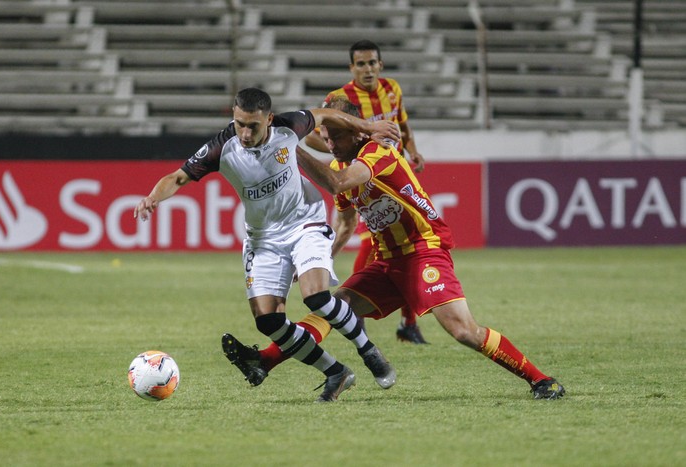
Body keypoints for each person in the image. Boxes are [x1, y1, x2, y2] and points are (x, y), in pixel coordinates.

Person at [228, 98, 566, 400]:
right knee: (332, 307)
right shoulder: (339, 165)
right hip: (386, 263)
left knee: (463, 330)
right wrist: (313, 262)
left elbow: (338, 184)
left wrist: (287, 149)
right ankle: (264, 361)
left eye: (335, 137)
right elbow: (344, 225)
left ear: (356, 133)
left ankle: (541, 380)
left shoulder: (378, 152)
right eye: (326, 138)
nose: (330, 145)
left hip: (423, 252)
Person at [134, 87, 399, 402]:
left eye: (253, 126)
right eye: (239, 124)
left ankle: (369, 352)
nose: (245, 133)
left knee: (316, 297)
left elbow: (325, 113)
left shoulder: (289, 126)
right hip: (263, 237)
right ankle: (335, 371)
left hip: (305, 222)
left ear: (269, 119)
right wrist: (153, 197)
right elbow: (177, 177)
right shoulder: (223, 147)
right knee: (269, 321)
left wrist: (369, 128)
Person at [304, 39, 428, 344]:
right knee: (377, 243)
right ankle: (366, 313)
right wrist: (340, 153)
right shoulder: (338, 98)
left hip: (395, 176)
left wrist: (412, 150)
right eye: (361, 64)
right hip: (362, 175)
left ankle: (403, 322)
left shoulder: (392, 89)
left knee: (408, 243)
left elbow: (403, 126)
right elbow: (313, 137)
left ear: (380, 65)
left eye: (372, 62)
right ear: (351, 68)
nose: (367, 69)